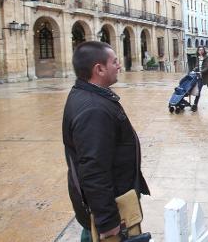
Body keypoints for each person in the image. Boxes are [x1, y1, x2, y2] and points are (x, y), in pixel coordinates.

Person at [62, 42, 150, 242]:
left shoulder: (89, 95)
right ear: (99, 69)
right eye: (114, 61)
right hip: (111, 210)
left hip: (110, 202)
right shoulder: (93, 109)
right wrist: (108, 221)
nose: (119, 66)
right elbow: (94, 169)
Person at [191, 46, 208, 111]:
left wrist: (201, 71)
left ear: (204, 51)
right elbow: (197, 65)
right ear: (198, 51)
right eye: (199, 50)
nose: (201, 51)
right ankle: (195, 104)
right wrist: (194, 69)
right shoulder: (198, 58)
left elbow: (207, 66)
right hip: (200, 76)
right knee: (198, 90)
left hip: (207, 76)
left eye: (202, 50)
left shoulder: (207, 57)